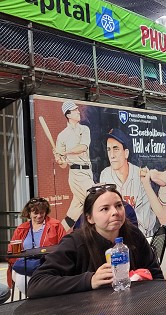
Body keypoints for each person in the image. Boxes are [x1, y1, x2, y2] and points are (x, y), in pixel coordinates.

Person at [29, 184, 166, 315]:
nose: (115, 212)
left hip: (133, 312)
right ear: (90, 218)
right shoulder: (75, 243)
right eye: (105, 209)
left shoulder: (133, 235)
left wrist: (145, 283)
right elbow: (36, 283)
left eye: (119, 205)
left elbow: (156, 275)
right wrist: (89, 280)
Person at [100, 128, 157, 236]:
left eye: (116, 149)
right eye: (109, 149)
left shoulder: (140, 175)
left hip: (141, 237)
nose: (111, 155)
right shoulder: (105, 175)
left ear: (126, 153)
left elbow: (146, 223)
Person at [6, 197, 66, 296]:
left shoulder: (55, 225)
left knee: (43, 284)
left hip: (47, 265)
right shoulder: (21, 229)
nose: (39, 216)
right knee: (22, 280)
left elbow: (64, 246)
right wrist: (17, 262)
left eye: (42, 212)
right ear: (29, 213)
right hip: (25, 265)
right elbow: (12, 252)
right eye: (35, 213)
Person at [54, 100, 95, 231]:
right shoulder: (62, 136)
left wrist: (64, 152)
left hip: (87, 172)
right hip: (76, 175)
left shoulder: (84, 129)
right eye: (75, 110)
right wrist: (60, 160)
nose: (78, 112)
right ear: (68, 115)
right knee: (96, 201)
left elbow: (83, 147)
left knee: (72, 214)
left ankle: (55, 235)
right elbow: (63, 164)